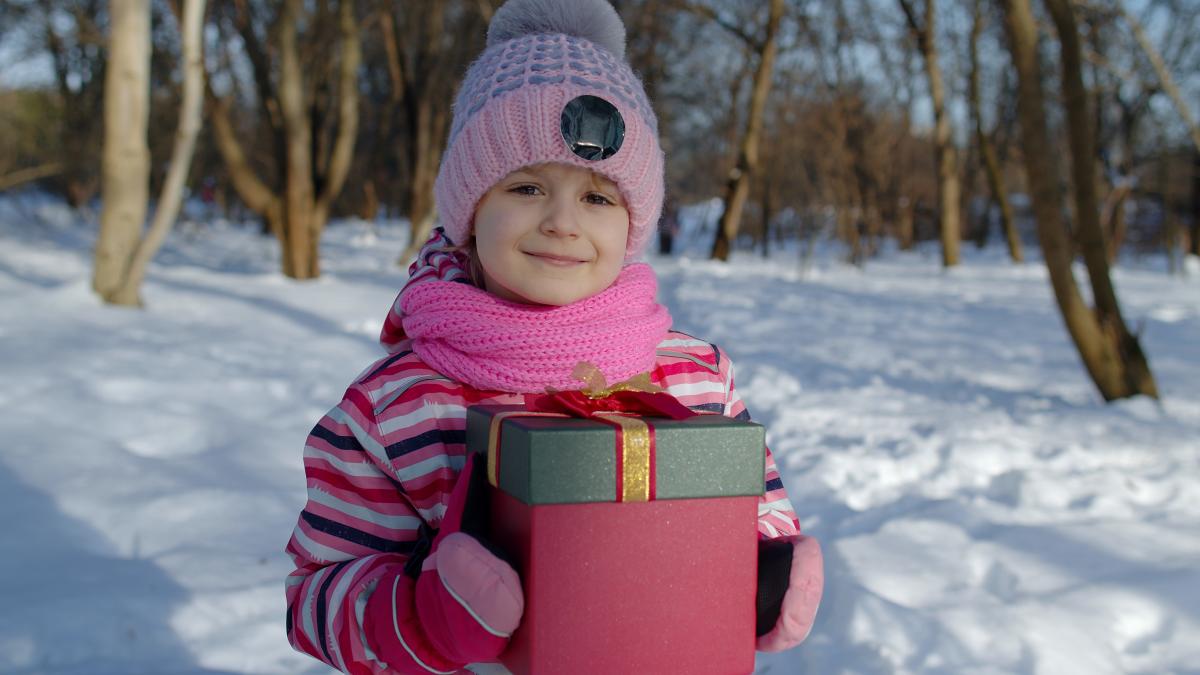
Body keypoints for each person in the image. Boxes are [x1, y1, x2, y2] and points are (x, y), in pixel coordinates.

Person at [283, 1, 823, 672]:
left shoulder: (696, 375)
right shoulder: (398, 407)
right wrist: (427, 616)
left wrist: (768, 571)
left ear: (632, 224)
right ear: (470, 209)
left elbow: (760, 509)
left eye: (598, 197)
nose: (564, 222)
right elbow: (316, 593)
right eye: (529, 186)